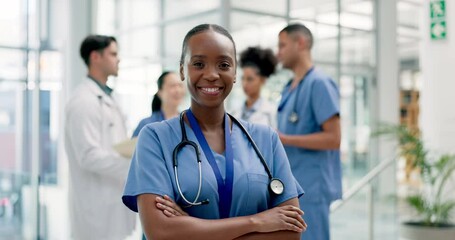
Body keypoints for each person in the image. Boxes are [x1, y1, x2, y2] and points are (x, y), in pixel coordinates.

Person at [122, 24, 307, 240]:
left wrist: (191, 228)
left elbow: (291, 233)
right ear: (183, 69)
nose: (211, 74)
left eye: (224, 64)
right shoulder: (154, 138)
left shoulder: (266, 139)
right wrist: (256, 222)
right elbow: (161, 232)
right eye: (199, 64)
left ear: (235, 72)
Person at [65, 35, 136, 240]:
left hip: (111, 203)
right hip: (95, 208)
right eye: (113, 54)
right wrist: (132, 165)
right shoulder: (83, 102)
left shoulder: (106, 97)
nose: (118, 59)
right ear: (95, 57)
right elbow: (88, 156)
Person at [276, 23, 342, 240]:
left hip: (312, 187)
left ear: (301, 43)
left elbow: (333, 138)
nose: (279, 53)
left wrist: (285, 139)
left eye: (283, 45)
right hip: (292, 185)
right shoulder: (290, 87)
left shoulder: (319, 83)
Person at [231, 47, 277, 127]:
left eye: (250, 79)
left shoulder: (271, 113)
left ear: (262, 80)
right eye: (243, 78)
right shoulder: (234, 112)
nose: (245, 84)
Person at [132, 71, 185, 137]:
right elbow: (132, 147)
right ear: (160, 92)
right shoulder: (146, 125)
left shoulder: (188, 123)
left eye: (180, 85)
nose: (178, 90)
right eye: (172, 86)